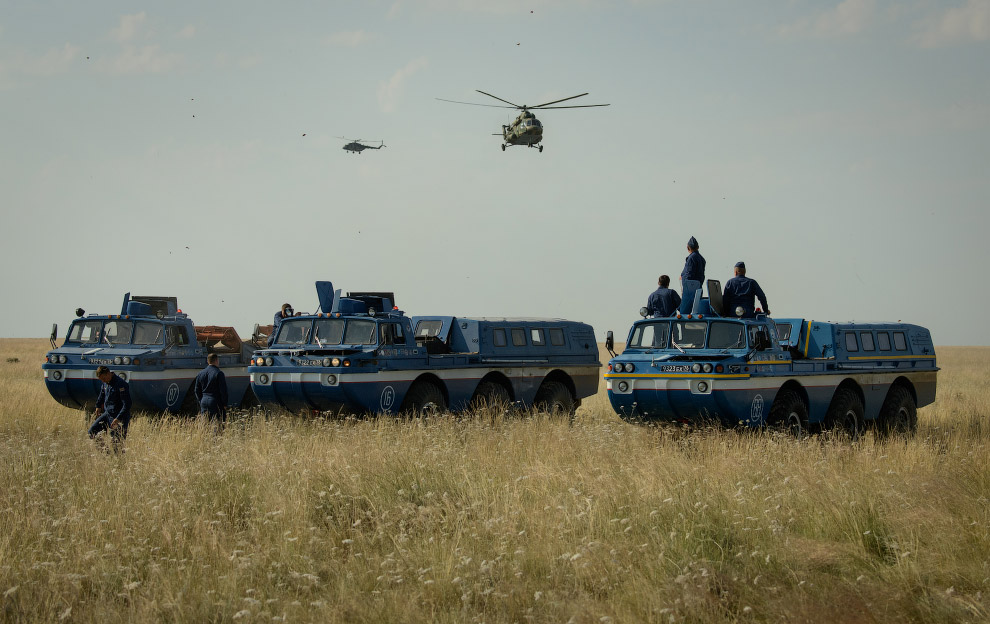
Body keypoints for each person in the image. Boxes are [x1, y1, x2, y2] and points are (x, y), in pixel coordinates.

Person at [87, 365, 132, 452]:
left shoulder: (121, 384)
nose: (103, 381)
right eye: (101, 380)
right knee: (92, 432)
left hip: (119, 417)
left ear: (108, 374)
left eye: (104, 378)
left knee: (117, 444)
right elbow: (102, 393)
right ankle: (107, 454)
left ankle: (118, 462)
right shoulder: (105, 382)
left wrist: (118, 418)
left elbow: (127, 404)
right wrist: (98, 406)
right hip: (108, 414)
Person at [194, 353, 228, 423]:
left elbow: (196, 390)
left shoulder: (200, 373)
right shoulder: (219, 373)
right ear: (216, 360)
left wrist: (201, 400)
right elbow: (223, 390)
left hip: (204, 401)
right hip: (215, 402)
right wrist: (224, 404)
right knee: (219, 425)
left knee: (205, 425)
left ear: (208, 361)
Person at [679, 236, 706, 313]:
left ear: (688, 248)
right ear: (698, 247)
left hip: (690, 291)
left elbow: (689, 275)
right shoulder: (701, 258)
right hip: (698, 288)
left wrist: (685, 287)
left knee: (684, 314)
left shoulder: (691, 258)